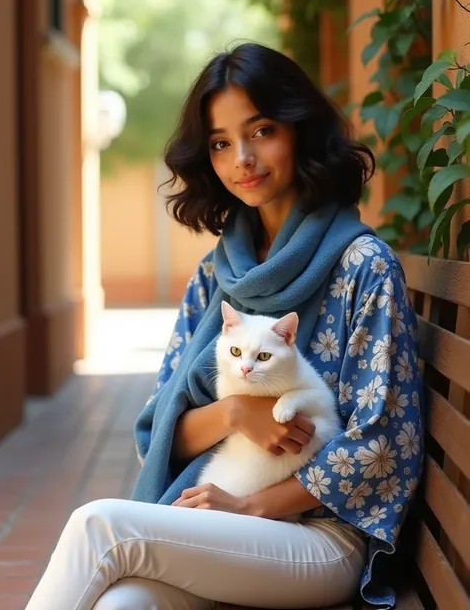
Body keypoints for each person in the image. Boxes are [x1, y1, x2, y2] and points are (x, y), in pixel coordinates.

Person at [25, 43, 423, 610]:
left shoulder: (363, 266)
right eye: (220, 143)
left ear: (299, 131)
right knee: (124, 605)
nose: (242, 157)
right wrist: (237, 412)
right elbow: (159, 429)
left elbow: (382, 449)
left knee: (100, 527)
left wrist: (249, 508)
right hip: (224, 526)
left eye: (261, 131)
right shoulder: (217, 276)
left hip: (321, 538)